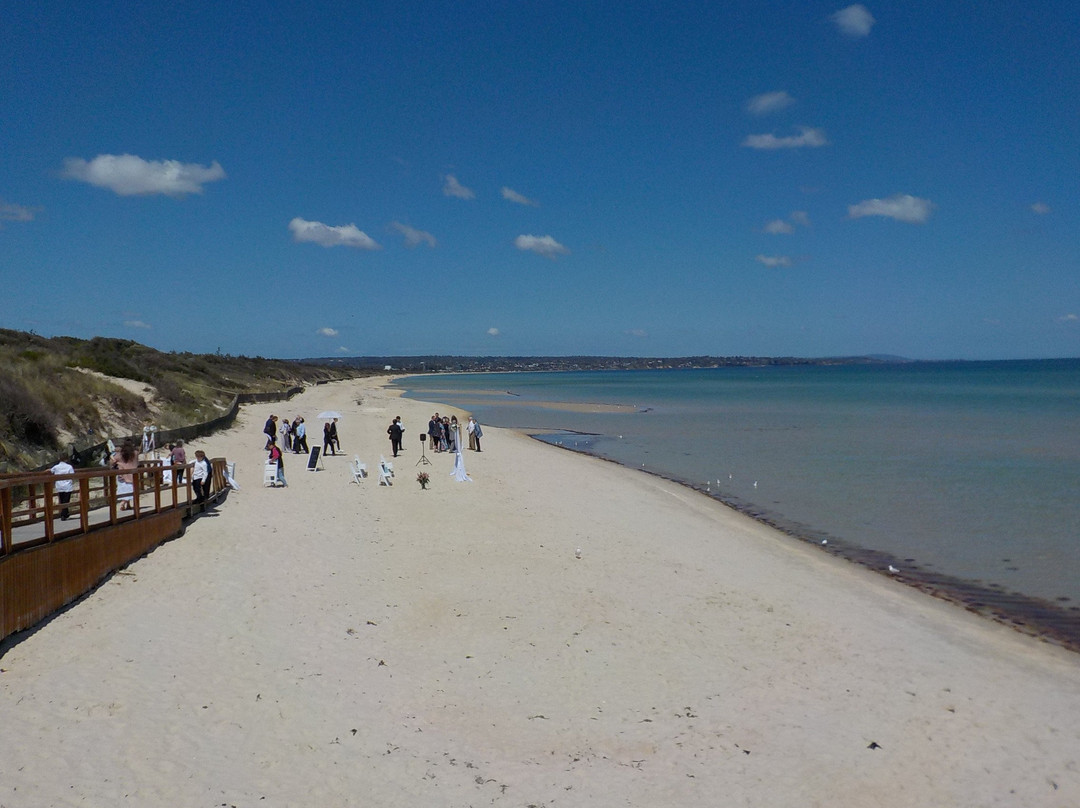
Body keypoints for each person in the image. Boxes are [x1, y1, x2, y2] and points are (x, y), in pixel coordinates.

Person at [111, 440, 139, 510]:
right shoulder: (135, 453)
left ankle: (127, 504)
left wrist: (112, 457)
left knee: (123, 489)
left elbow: (112, 462)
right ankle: (123, 502)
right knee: (130, 489)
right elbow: (137, 463)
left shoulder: (120, 454)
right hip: (132, 475)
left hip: (122, 475)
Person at [50, 455, 75, 521]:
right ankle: (63, 514)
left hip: (59, 486)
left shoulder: (56, 467)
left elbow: (50, 471)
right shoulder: (69, 466)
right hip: (67, 486)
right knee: (66, 500)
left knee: (62, 500)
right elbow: (73, 475)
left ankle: (65, 513)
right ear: (66, 459)